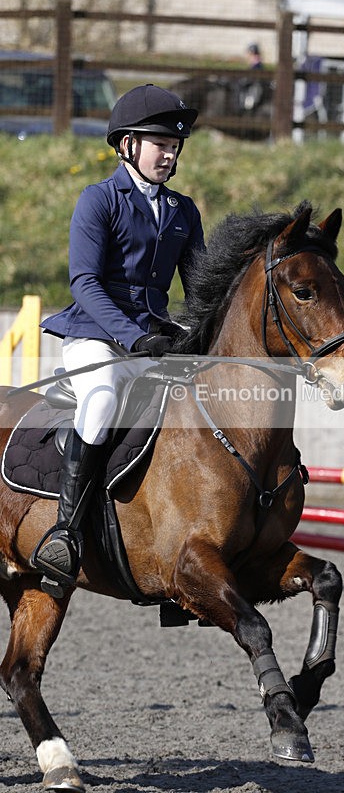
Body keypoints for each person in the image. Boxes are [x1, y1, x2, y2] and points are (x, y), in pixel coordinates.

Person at [31, 83, 205, 598]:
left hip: (153, 338)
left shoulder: (183, 210)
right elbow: (84, 283)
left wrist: (198, 336)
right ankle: (64, 532)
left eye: (174, 146)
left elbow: (199, 290)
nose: (169, 154)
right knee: (103, 398)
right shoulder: (99, 199)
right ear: (127, 144)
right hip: (96, 335)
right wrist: (134, 337)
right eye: (160, 144)